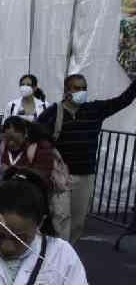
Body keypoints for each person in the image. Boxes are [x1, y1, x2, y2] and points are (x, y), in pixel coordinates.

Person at [35, 73, 136, 243]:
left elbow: (123, 100)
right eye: (77, 88)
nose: (81, 91)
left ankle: (69, 255)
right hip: (61, 178)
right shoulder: (53, 112)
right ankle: (58, 258)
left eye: (84, 88)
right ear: (67, 90)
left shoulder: (94, 110)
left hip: (85, 177)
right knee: (60, 218)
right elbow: (36, 134)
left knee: (77, 223)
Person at [0, 116, 71, 238]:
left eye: (14, 139)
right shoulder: (3, 147)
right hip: (12, 202)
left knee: (36, 236)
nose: (11, 143)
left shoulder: (41, 147)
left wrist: (12, 171)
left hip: (36, 201)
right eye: (7, 139)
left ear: (25, 134)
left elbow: (43, 176)